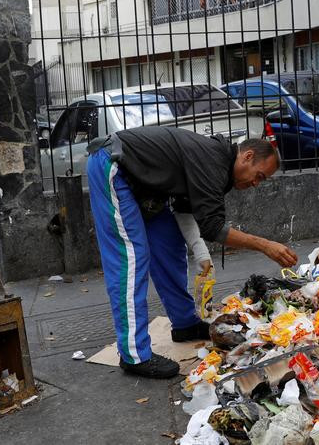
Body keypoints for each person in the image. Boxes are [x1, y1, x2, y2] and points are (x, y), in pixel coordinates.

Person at [87, 127, 298, 379]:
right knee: (132, 258)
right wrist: (265, 245)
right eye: (259, 176)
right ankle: (134, 355)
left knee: (169, 246)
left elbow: (185, 211)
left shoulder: (218, 165)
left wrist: (201, 255)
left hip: (145, 187)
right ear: (247, 156)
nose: (255, 184)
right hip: (114, 166)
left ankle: (185, 324)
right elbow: (213, 228)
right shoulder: (212, 161)